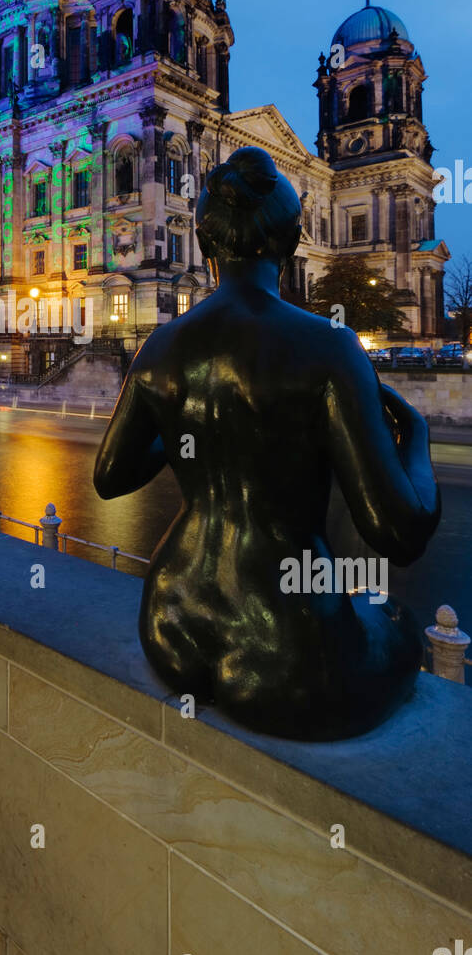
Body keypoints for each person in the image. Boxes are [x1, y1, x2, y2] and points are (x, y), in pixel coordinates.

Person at [94, 147, 440, 740]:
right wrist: (418, 445)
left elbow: (110, 477)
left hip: (171, 620)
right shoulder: (330, 347)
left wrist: (189, 432)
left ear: (205, 243)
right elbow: (399, 531)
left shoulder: (161, 347)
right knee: (397, 623)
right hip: (286, 647)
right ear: (292, 240)